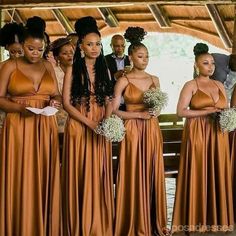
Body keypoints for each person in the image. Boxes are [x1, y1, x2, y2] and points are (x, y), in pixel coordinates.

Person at [0, 16, 61, 236]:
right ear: (21, 45)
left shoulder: (47, 65)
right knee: (20, 174)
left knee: (45, 173)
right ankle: (19, 225)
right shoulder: (8, 66)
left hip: (45, 125)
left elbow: (56, 94)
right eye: (30, 48)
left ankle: (44, 226)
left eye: (39, 49)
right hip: (18, 125)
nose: (35, 53)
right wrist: (20, 109)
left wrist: (55, 102)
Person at [172, 43, 234, 234]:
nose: (210, 67)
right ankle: (193, 219)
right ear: (196, 65)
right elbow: (180, 112)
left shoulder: (219, 86)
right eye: (205, 63)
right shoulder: (191, 85)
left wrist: (227, 116)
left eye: (212, 63)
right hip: (198, 133)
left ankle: (216, 218)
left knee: (217, 172)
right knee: (198, 172)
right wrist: (205, 111)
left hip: (218, 135)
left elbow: (225, 110)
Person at [112, 26, 168, 236]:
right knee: (133, 171)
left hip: (152, 130)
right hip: (133, 130)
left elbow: (160, 106)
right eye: (141, 56)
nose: (145, 60)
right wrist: (138, 115)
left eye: (147, 56)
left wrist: (157, 110)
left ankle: (154, 220)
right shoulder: (123, 81)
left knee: (152, 171)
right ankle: (133, 220)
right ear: (131, 56)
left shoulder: (155, 79)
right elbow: (115, 111)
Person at [62, 16, 114, 236]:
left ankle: (99, 223)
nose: (95, 48)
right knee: (80, 171)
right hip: (79, 124)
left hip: (101, 123)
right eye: (90, 44)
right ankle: (79, 222)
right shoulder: (72, 69)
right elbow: (66, 103)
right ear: (81, 46)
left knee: (99, 172)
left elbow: (111, 99)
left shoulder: (105, 69)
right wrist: (89, 123)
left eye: (98, 44)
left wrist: (107, 119)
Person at [0, 22, 25, 132]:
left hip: (27, 113)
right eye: (12, 52)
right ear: (6, 48)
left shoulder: (33, 67)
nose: (16, 56)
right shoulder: (1, 67)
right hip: (4, 116)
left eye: (20, 52)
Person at [50, 37, 74, 133]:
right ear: (56, 57)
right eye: (64, 53)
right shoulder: (53, 72)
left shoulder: (79, 71)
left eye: (71, 52)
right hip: (59, 109)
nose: (69, 56)